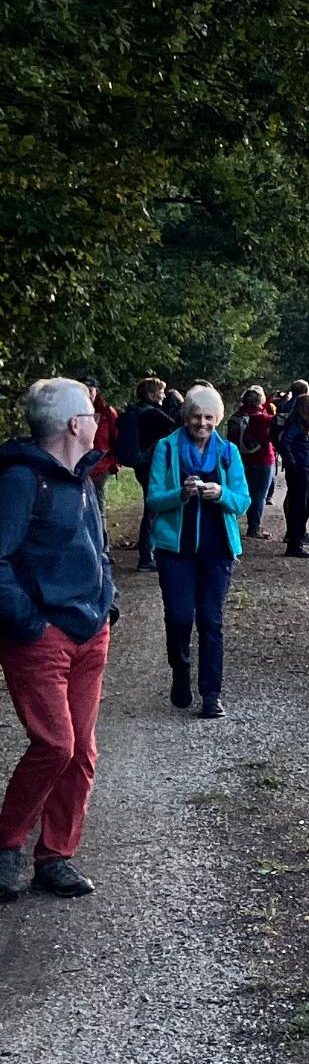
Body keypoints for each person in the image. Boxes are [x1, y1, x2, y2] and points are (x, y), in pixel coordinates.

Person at [0, 379, 118, 897]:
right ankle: (6, 845)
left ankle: (56, 857)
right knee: (56, 744)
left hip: (91, 632)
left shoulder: (84, 478)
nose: (97, 422)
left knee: (82, 751)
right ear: (74, 424)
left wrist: (107, 602)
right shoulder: (21, 481)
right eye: (91, 414)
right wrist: (29, 622)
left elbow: (100, 548)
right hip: (40, 636)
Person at [144, 384, 250, 719]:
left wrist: (220, 494)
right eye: (195, 416)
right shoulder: (167, 447)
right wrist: (181, 494)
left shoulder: (228, 452)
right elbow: (154, 499)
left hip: (217, 548)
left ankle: (211, 694)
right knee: (178, 617)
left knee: (210, 621)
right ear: (186, 416)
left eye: (208, 417)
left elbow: (243, 501)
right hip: (175, 549)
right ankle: (180, 670)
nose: (201, 423)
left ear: (217, 419)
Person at [120, 376, 174, 571]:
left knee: (152, 509)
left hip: (142, 466)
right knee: (153, 511)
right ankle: (146, 557)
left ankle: (149, 554)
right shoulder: (153, 414)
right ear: (152, 394)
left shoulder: (137, 411)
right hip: (153, 467)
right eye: (161, 391)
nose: (163, 394)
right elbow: (177, 427)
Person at [229, 385, 279, 539]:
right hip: (263, 459)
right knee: (259, 495)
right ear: (259, 402)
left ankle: (234, 523)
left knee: (242, 490)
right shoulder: (263, 419)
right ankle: (254, 527)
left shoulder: (235, 417)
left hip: (241, 458)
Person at [277, 390, 309, 558]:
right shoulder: (297, 424)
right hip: (302, 470)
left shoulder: (304, 424)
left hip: (307, 468)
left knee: (305, 504)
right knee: (299, 506)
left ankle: (299, 537)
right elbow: (285, 443)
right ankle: (295, 543)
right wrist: (294, 464)